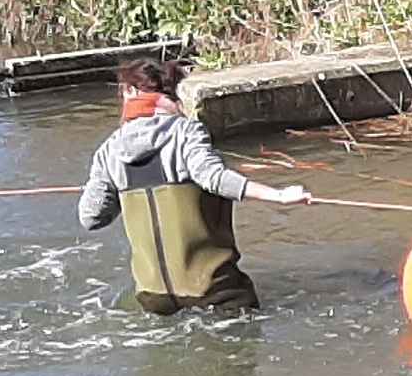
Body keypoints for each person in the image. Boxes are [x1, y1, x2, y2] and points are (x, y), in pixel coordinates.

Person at [77, 58, 307, 314]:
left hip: (154, 297)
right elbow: (214, 178)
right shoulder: (186, 132)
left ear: (130, 92)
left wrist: (108, 186)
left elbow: (91, 217)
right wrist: (280, 195)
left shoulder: (109, 151)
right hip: (215, 291)